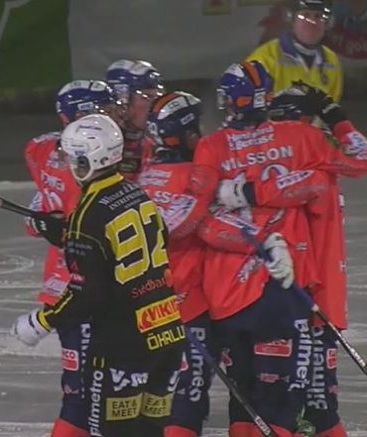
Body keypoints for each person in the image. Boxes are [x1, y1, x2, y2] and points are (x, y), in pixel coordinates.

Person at [184, 60, 367, 437]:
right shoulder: (302, 139)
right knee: (288, 407)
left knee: (245, 403)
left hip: (227, 295)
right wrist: (335, 116)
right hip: (286, 292)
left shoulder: (211, 147)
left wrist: (245, 195)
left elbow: (195, 217)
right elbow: (361, 158)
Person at [13, 114, 186, 436]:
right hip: (166, 336)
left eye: (71, 158)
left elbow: (87, 294)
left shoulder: (87, 214)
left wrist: (42, 322)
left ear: (86, 160)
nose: (68, 166)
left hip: (123, 345)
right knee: (149, 432)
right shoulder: (138, 194)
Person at [23, 79, 125, 437]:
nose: (115, 115)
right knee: (86, 395)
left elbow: (36, 218)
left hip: (71, 286)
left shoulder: (40, 149)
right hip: (83, 289)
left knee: (90, 392)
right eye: (105, 109)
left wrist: (41, 215)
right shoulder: (90, 166)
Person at [138, 91, 216, 437]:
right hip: (189, 305)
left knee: (156, 398)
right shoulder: (196, 176)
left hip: (146, 307)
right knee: (187, 401)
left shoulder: (144, 178)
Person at [247, 0, 343, 102]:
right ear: (292, 20)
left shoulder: (331, 60)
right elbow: (246, 104)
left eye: (318, 16)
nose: (312, 22)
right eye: (305, 15)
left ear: (327, 24)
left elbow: (333, 103)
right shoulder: (264, 58)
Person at [105, 59, 166, 177]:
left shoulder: (163, 142)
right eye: (147, 97)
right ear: (122, 102)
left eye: (158, 96)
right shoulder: (96, 142)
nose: (155, 104)